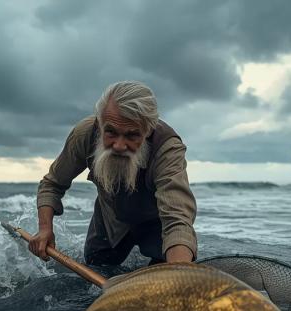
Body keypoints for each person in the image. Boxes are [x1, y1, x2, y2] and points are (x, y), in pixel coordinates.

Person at [30, 81, 198, 266]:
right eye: (110, 132)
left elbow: (178, 220)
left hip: (157, 223)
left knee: (163, 278)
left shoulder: (167, 149)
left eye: (132, 135)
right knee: (96, 267)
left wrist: (179, 274)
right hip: (110, 219)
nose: (118, 146)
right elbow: (52, 184)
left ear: (148, 129)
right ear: (100, 122)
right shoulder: (84, 134)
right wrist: (45, 229)